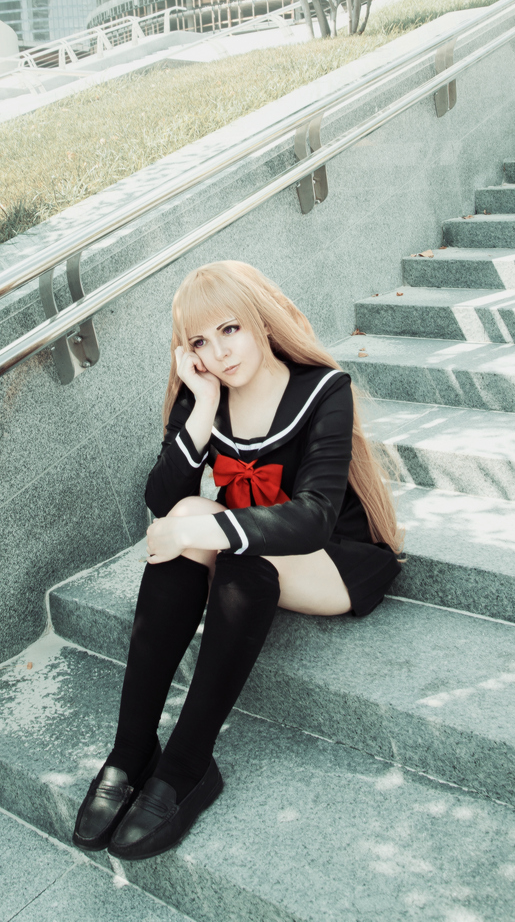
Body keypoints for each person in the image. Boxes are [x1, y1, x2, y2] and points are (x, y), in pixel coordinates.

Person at [73, 261, 403, 861]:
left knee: (227, 547)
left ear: (259, 320)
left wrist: (204, 527)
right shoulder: (208, 390)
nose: (219, 353)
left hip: (328, 556)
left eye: (229, 330)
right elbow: (161, 497)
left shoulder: (324, 389)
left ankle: (188, 765)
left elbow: (313, 517)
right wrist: (200, 406)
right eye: (200, 341)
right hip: (246, 538)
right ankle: (130, 751)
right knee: (187, 519)